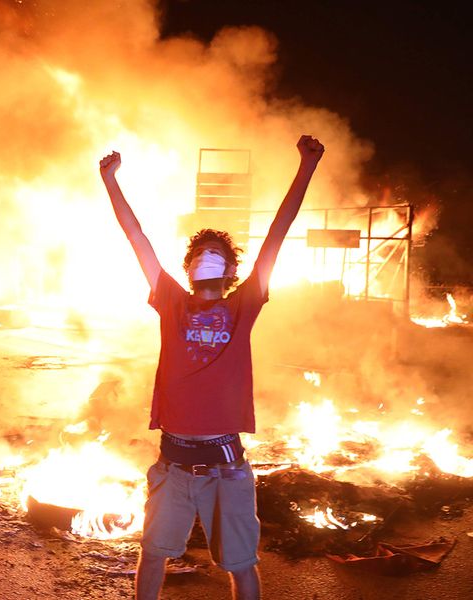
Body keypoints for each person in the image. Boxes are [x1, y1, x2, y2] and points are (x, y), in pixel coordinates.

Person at [99, 135, 325, 600]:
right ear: (188, 268)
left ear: (230, 271)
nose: (207, 254)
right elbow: (136, 236)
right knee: (154, 553)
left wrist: (307, 166)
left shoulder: (244, 304)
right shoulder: (171, 302)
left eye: (215, 252)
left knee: (241, 565)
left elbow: (278, 232)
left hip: (227, 467)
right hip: (174, 465)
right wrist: (110, 181)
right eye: (200, 251)